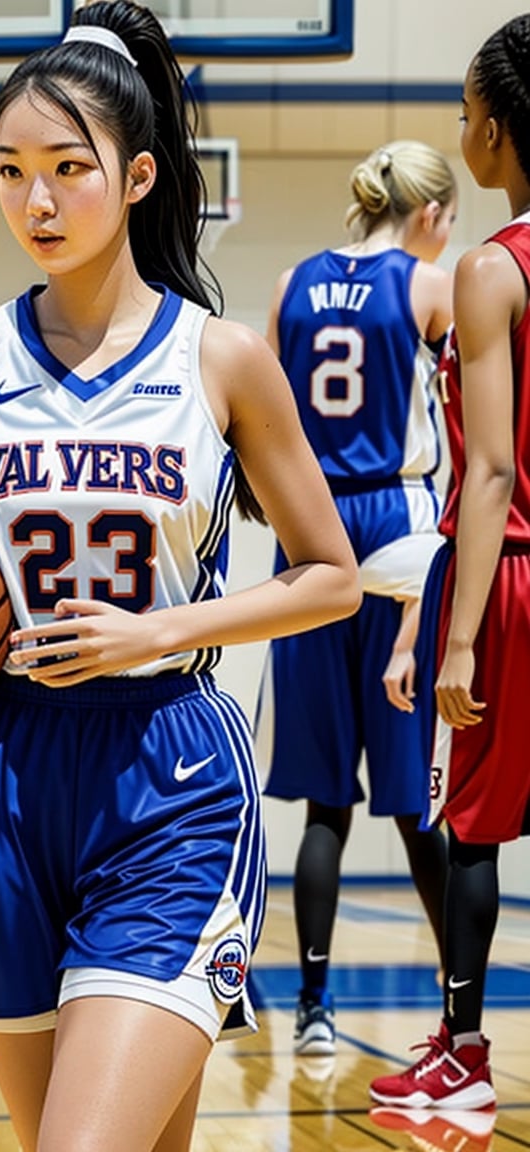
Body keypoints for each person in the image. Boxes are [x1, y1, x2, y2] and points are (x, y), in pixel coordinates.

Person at [0, 2, 364, 1147]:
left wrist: (155, 634)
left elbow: (331, 579)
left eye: (69, 168)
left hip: (167, 770)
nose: (37, 200)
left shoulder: (220, 360)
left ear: (138, 177)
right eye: (12, 170)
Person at [253, 140, 457, 1057]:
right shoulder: (427, 284)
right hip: (400, 533)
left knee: (322, 809)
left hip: (310, 537)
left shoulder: (292, 281)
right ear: (426, 216)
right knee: (419, 805)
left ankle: (313, 1009)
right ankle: (461, 1014)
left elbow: (255, 418)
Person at [370, 12, 530, 1110]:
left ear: (500, 133)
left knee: (469, 821)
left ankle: (464, 1056)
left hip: (514, 578)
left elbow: (490, 473)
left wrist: (456, 634)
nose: (462, 131)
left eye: (465, 112)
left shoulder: (490, 269)